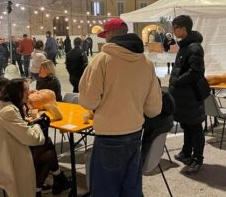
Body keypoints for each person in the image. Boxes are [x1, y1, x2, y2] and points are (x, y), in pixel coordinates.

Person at [79, 17, 162, 197]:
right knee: (131, 189)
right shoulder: (146, 63)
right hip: (134, 134)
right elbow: (154, 109)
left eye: (105, 34)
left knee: (105, 191)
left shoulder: (101, 60)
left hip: (109, 135)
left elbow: (88, 102)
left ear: (110, 34)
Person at [0, 79, 70, 197]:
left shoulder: (2, 107)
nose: (29, 93)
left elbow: (22, 132)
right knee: (47, 148)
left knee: (48, 152)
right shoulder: (8, 111)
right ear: (16, 92)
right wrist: (38, 125)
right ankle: (51, 182)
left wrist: (35, 125)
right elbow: (31, 138)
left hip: (2, 155)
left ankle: (41, 188)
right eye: (25, 90)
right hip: (5, 161)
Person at [169, 15, 206, 174]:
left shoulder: (194, 47)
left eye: (175, 27)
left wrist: (177, 81)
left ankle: (198, 159)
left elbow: (196, 73)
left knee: (195, 127)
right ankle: (186, 152)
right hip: (183, 96)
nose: (173, 30)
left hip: (190, 95)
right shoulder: (185, 46)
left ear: (184, 28)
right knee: (186, 124)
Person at [141, 80, 175, 163]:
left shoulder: (152, 102)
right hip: (165, 127)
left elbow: (145, 122)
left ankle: (141, 160)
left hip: (154, 131)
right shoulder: (165, 96)